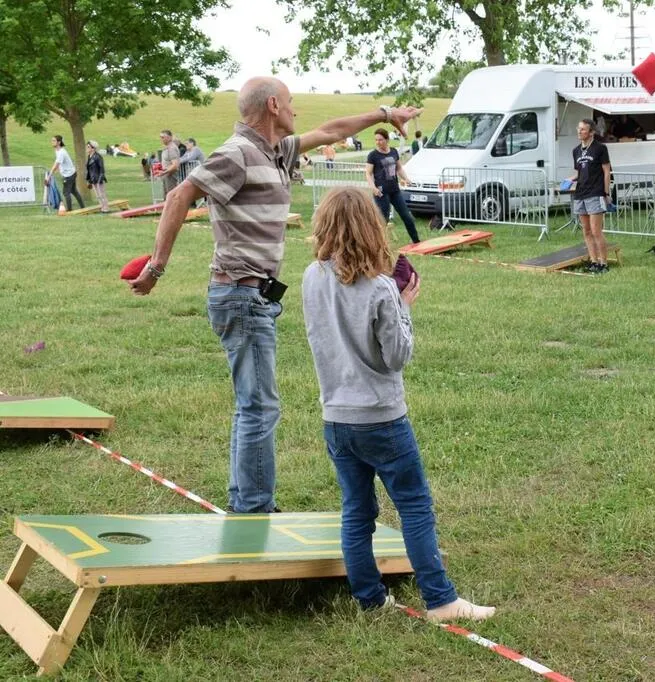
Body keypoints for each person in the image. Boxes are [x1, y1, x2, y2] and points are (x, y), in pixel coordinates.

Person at [127, 76, 420, 513]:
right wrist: (156, 266)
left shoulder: (275, 150)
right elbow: (180, 197)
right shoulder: (237, 153)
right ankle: (253, 509)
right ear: (272, 106)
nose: (296, 110)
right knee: (259, 407)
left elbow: (332, 130)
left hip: (256, 297)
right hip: (241, 295)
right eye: (290, 102)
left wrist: (383, 115)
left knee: (254, 405)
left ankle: (247, 498)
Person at [302, 186, 496, 622]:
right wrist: (404, 306)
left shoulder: (311, 277)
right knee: (414, 506)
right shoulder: (381, 289)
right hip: (381, 417)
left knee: (356, 509)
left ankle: (369, 599)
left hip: (335, 415)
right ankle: (441, 600)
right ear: (373, 228)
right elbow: (397, 356)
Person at [570, 118, 612, 274]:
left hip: (595, 192)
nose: (579, 131)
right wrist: (571, 179)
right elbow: (580, 171)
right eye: (578, 128)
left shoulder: (600, 148)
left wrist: (606, 193)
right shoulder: (576, 151)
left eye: (583, 129)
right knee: (586, 231)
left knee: (596, 231)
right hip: (580, 193)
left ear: (591, 132)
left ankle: (603, 262)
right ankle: (593, 261)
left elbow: (607, 171)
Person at [365, 128, 420, 243]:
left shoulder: (393, 151)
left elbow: (399, 168)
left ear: (387, 140)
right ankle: (376, 245)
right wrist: (373, 188)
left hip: (395, 191)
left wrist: (406, 178)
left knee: (407, 217)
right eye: (376, 140)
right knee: (382, 221)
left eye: (380, 140)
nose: (378, 142)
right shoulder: (373, 155)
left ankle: (416, 242)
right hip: (381, 192)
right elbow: (368, 173)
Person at [50, 135, 84, 212]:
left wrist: (49, 175)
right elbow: (59, 164)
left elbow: (56, 165)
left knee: (66, 192)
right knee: (74, 191)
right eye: (52, 140)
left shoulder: (62, 152)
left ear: (59, 142)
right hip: (70, 173)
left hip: (69, 175)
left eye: (54, 141)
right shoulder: (57, 151)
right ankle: (83, 207)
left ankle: (69, 210)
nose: (52, 142)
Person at [153, 129, 182, 196]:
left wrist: (164, 172)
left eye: (163, 137)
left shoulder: (172, 149)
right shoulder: (167, 148)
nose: (161, 139)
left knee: (171, 197)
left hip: (171, 176)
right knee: (167, 197)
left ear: (170, 137)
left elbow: (175, 165)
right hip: (166, 175)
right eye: (160, 137)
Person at [84, 140, 109, 213]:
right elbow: (89, 169)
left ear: (93, 148)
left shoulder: (98, 157)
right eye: (87, 147)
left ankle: (106, 208)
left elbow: (102, 169)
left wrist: (99, 180)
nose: (87, 148)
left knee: (102, 194)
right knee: (98, 195)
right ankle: (102, 207)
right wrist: (89, 180)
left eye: (88, 147)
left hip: (98, 179)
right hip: (93, 179)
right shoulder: (89, 156)